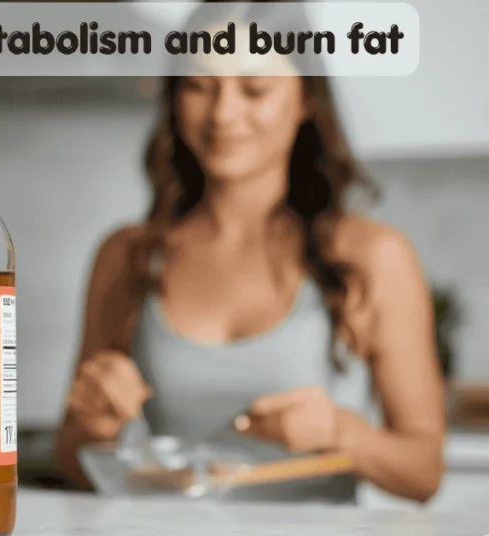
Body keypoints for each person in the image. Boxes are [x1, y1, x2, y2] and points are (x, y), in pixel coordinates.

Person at [54, 0, 445, 504]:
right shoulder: (127, 255)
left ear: (306, 97)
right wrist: (96, 426)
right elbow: (73, 456)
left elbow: (424, 471)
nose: (223, 113)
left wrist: (341, 432)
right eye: (200, 86)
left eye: (254, 88)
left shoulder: (373, 256)